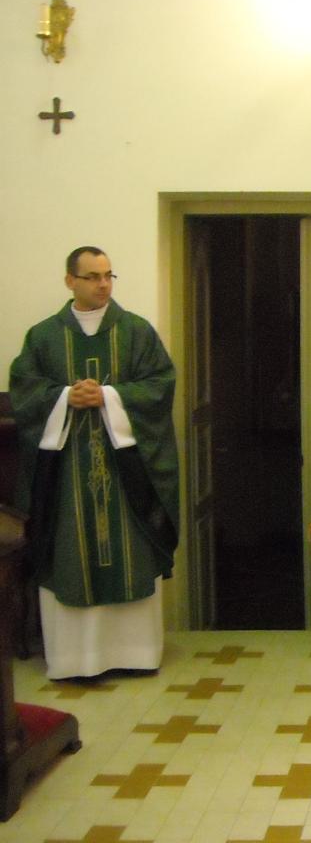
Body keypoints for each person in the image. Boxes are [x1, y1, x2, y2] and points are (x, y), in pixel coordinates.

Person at [9, 246, 179, 679]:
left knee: (131, 553)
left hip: (127, 476)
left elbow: (160, 384)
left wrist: (110, 396)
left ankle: (138, 654)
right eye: (92, 277)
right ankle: (73, 660)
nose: (103, 285)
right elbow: (25, 391)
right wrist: (65, 397)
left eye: (108, 276)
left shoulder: (136, 332)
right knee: (70, 553)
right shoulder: (43, 337)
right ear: (70, 281)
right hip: (67, 474)